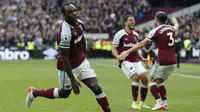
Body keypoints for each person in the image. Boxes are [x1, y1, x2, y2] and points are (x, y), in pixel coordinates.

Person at [25, 3, 111, 112]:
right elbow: (64, 59)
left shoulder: (79, 23)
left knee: (96, 87)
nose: (74, 13)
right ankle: (34, 93)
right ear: (64, 15)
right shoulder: (64, 33)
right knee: (64, 93)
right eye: (70, 12)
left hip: (81, 62)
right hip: (68, 67)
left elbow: (82, 40)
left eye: (75, 10)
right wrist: (73, 80)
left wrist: (84, 57)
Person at [119, 11, 179, 110]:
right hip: (173, 61)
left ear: (156, 19)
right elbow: (176, 27)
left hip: (162, 61)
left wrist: (127, 51)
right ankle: (165, 104)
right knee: (159, 82)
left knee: (151, 81)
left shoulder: (156, 31)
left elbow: (141, 44)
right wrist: (176, 22)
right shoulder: (171, 28)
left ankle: (159, 103)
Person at [111, 14, 150, 110]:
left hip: (135, 60)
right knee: (136, 78)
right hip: (125, 61)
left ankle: (142, 103)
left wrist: (142, 59)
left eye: (134, 20)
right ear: (125, 22)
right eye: (130, 20)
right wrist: (118, 56)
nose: (133, 22)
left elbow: (135, 50)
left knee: (145, 79)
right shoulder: (119, 34)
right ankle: (134, 103)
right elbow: (113, 48)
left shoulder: (136, 35)